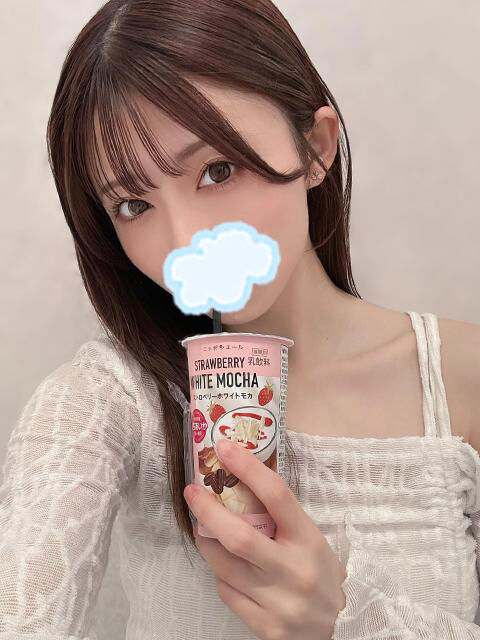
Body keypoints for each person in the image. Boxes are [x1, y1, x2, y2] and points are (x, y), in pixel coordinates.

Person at [1, 0, 479, 638]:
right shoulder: (110, 400)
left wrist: (348, 620)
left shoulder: (462, 377)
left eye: (217, 170)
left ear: (316, 148)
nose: (184, 241)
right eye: (133, 205)